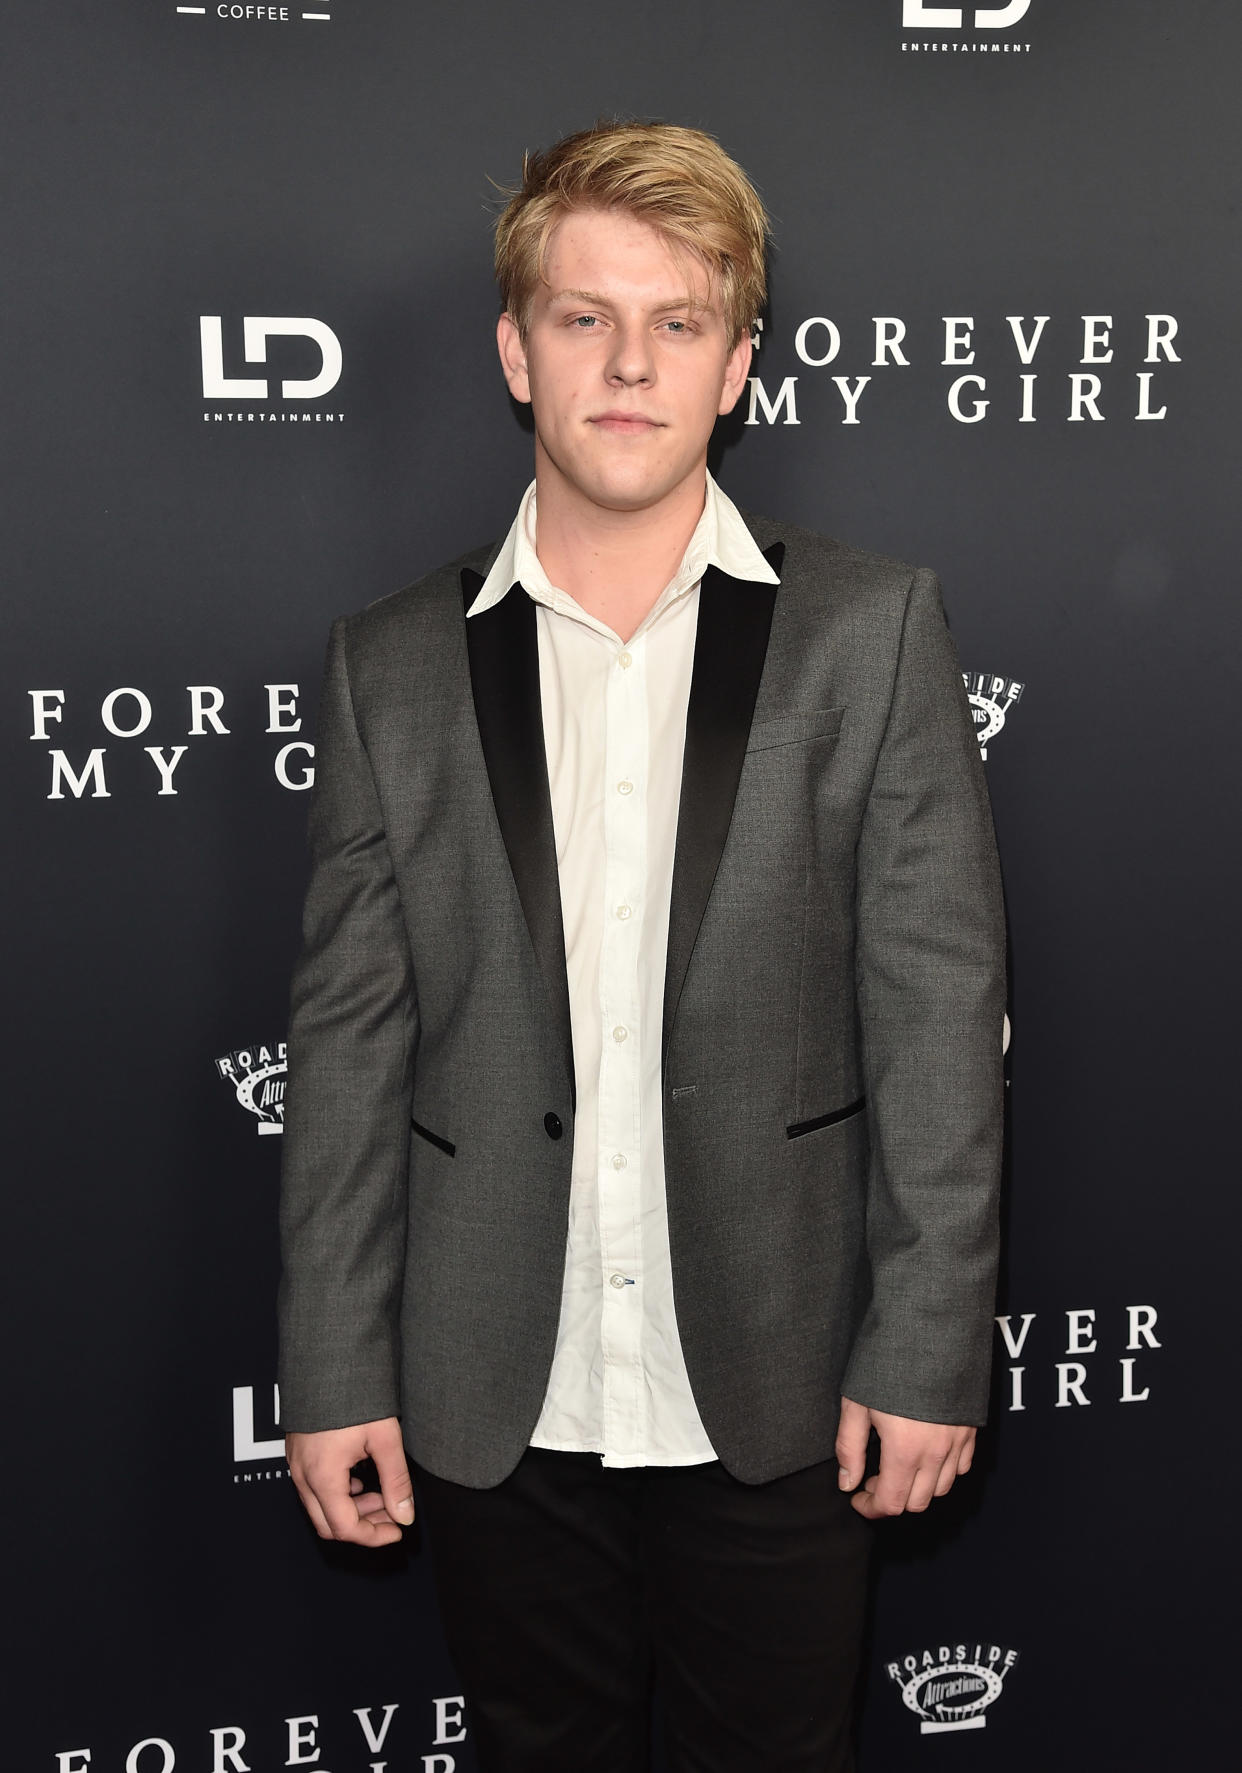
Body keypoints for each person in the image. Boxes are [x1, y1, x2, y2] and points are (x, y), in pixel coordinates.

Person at [278, 120, 1006, 1773]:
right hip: (492, 1392)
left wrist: (924, 1344)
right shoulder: (389, 663)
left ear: (739, 363)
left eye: (677, 321)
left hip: (779, 1382)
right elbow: (349, 1044)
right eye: (581, 315)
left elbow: (940, 1015)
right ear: (512, 352)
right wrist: (329, 1367)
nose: (627, 362)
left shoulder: (872, 630)